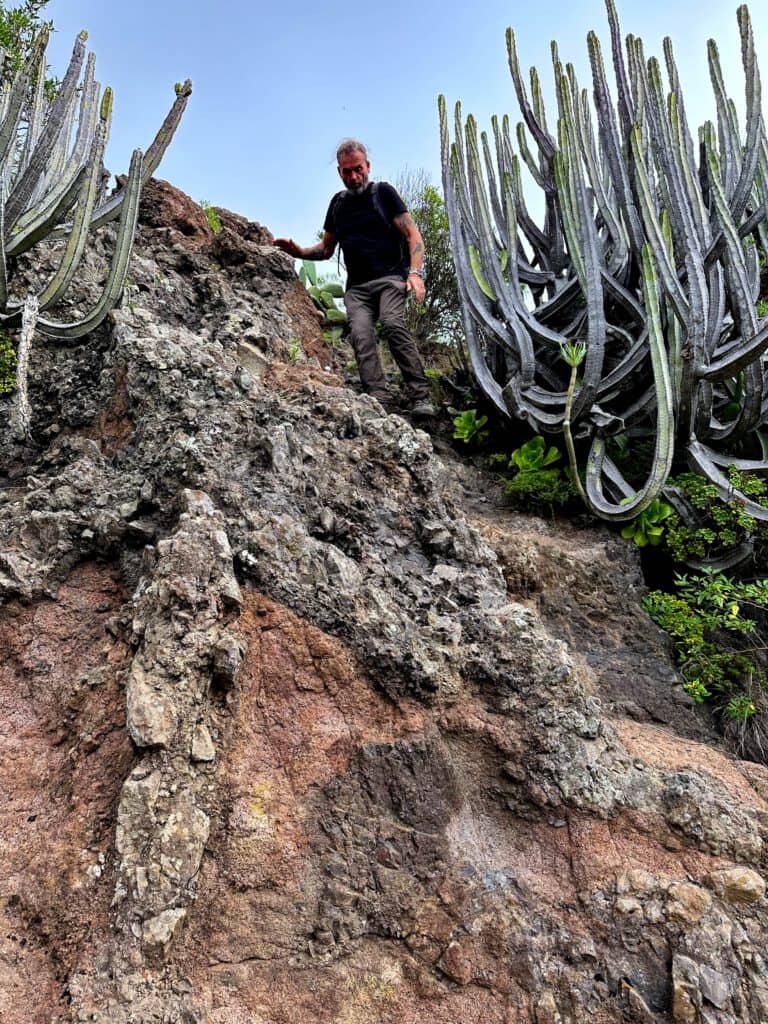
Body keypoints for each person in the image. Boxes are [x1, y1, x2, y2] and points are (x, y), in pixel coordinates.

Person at [275, 140, 435, 417]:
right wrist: (299, 251)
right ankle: (379, 398)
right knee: (361, 336)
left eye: (358, 169)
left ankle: (420, 395)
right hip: (358, 288)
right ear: (339, 172)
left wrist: (415, 274)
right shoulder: (338, 204)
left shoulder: (382, 193)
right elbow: (326, 249)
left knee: (393, 323)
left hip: (391, 279)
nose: (353, 177)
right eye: (347, 172)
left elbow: (413, 234)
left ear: (367, 166)